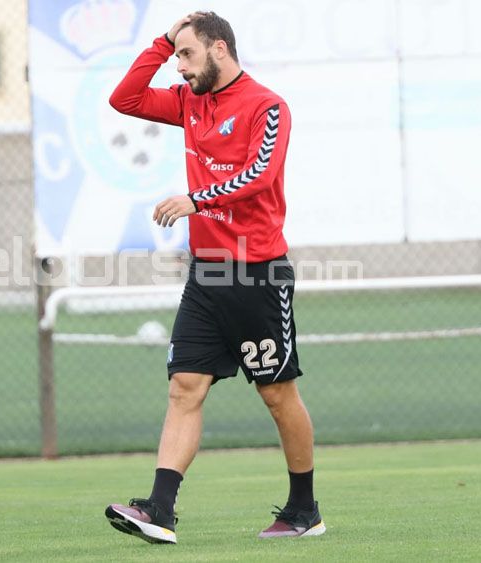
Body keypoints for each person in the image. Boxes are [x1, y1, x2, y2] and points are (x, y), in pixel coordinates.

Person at [104, 12, 324, 543]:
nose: (179, 67)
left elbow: (260, 174)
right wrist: (163, 39)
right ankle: (159, 509)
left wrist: (195, 199)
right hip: (206, 276)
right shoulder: (189, 102)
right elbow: (125, 99)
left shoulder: (267, 106)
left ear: (219, 49)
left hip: (257, 276)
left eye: (187, 55)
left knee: (277, 395)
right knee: (184, 387)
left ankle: (303, 510)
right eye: (176, 56)